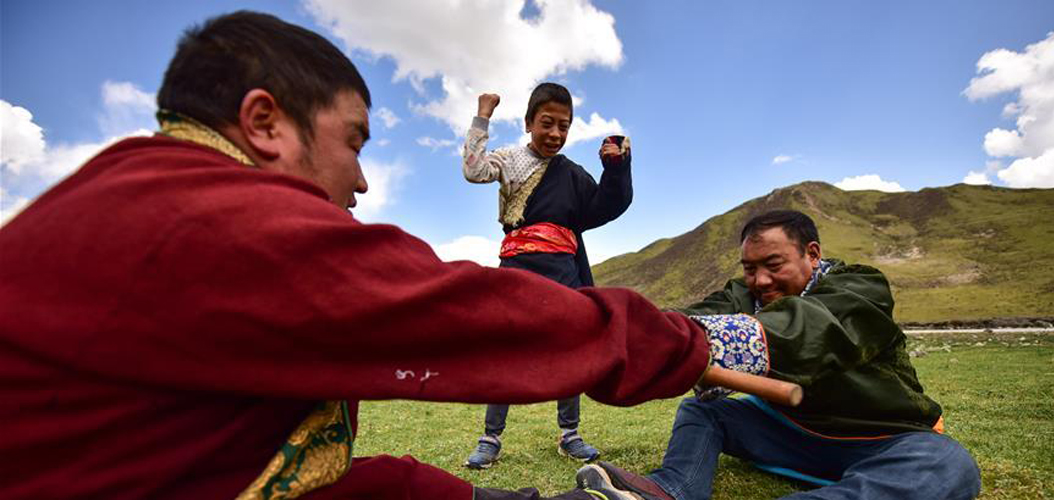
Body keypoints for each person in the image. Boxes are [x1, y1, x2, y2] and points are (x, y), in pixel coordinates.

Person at [0, 11, 742, 500]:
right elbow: (462, 315)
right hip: (529, 268)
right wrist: (698, 341)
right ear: (263, 122)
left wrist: (619, 170)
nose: (359, 181)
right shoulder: (208, 222)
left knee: (391, 486)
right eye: (353, 142)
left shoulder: (133, 192)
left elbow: (605, 210)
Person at [575, 210, 982, 500]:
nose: (760, 280)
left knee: (950, 464)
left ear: (813, 254)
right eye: (750, 268)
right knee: (703, 412)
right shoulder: (744, 294)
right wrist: (634, 333)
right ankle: (672, 488)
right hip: (793, 432)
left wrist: (696, 342)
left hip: (882, 437)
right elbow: (690, 319)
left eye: (773, 264)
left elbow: (810, 327)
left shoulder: (862, 287)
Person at [459, 83, 632, 468]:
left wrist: (616, 168)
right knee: (506, 350)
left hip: (564, 271)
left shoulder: (572, 175)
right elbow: (473, 170)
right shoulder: (510, 160)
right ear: (528, 123)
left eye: (564, 127)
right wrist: (482, 115)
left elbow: (604, 206)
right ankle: (490, 437)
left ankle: (569, 433)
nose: (555, 134)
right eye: (547, 123)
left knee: (571, 348)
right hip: (518, 269)